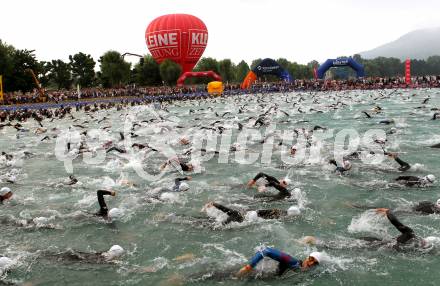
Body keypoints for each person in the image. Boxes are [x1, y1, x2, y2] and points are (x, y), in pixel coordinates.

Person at [237, 247, 322, 277]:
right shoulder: (292, 261)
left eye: (315, 263)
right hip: (249, 273)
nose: (311, 264)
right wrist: (249, 267)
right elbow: (266, 250)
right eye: (311, 259)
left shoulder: (300, 269)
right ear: (307, 257)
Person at [202, 202, 300, 225]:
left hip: (221, 223)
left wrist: (213, 204)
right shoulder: (239, 219)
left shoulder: (237, 214)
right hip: (222, 224)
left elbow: (224, 208)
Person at [45, 245, 124, 264]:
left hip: (80, 255)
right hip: (78, 259)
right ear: (117, 255)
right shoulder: (108, 260)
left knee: (50, 256)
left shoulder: (104, 253)